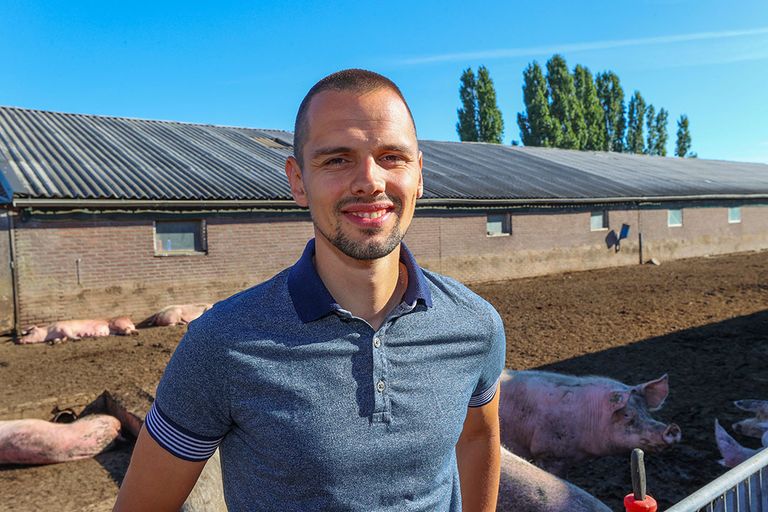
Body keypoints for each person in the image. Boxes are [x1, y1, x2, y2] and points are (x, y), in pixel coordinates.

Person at [114, 69, 506, 512]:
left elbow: (477, 436)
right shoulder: (221, 344)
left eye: (391, 156)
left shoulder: (475, 326)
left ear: (419, 174)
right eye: (337, 160)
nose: (370, 181)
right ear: (298, 181)